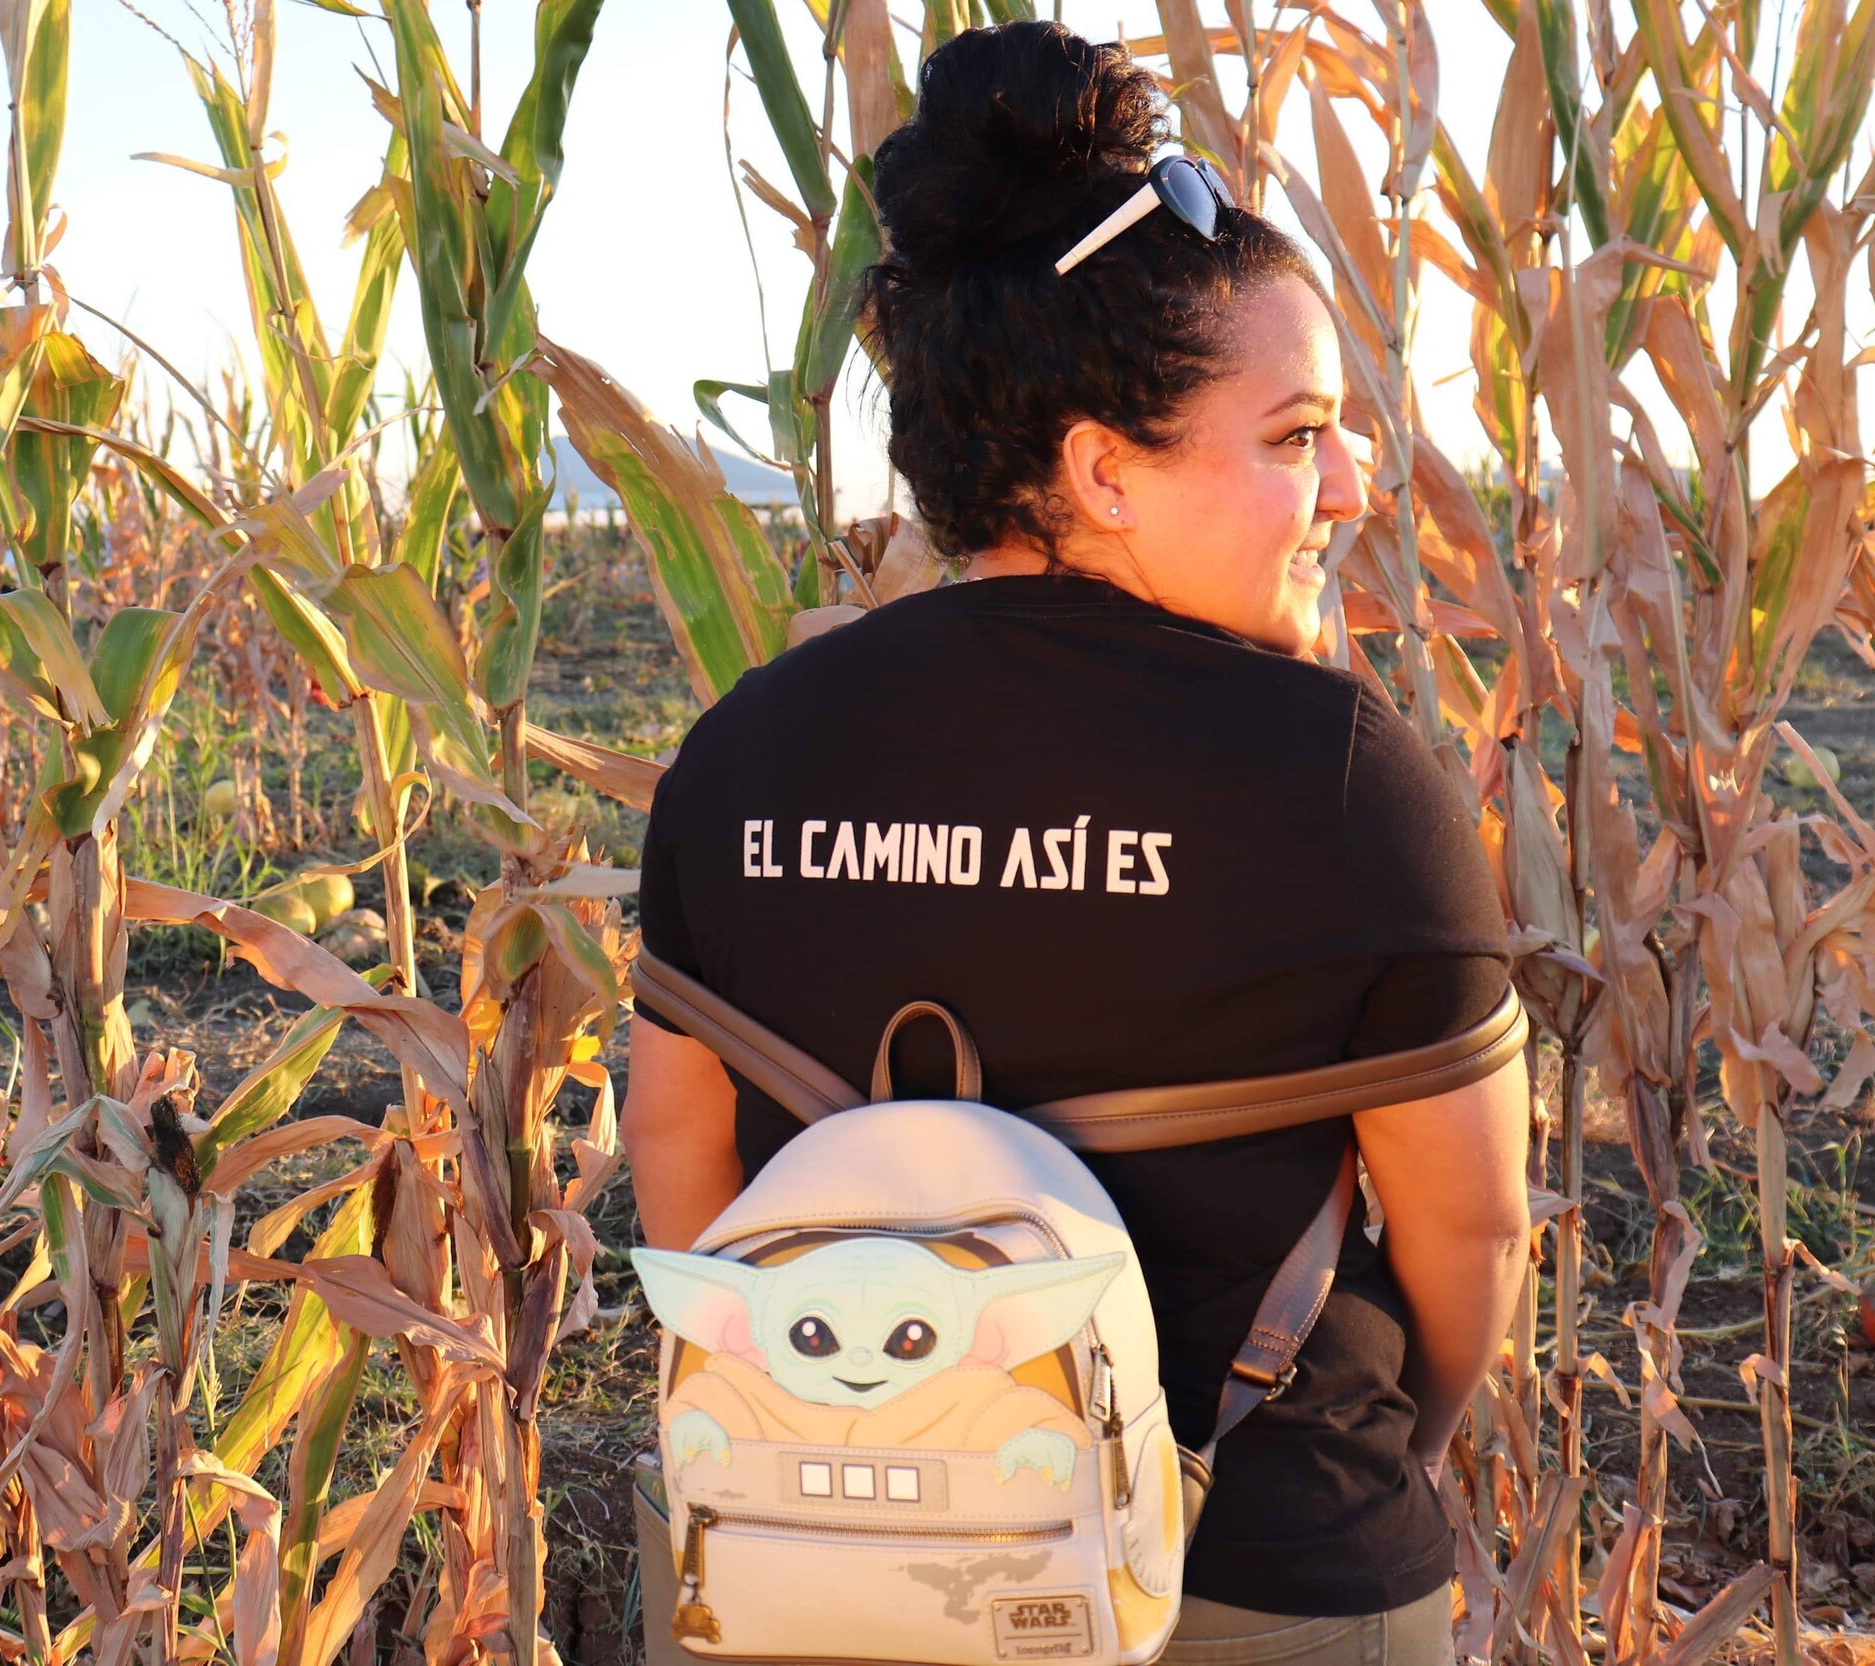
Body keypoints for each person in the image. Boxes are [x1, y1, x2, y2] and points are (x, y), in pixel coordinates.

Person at [623, 21, 1530, 1666]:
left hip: (807, 1576)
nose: (1353, 485)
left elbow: (685, 1176)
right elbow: (1475, 1238)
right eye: (1296, 434)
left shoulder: (741, 750)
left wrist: (845, 1459)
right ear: (1103, 470)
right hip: (1254, 1574)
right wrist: (1377, 1469)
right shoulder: (1347, 778)